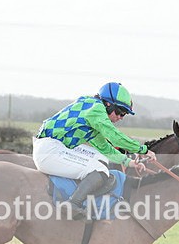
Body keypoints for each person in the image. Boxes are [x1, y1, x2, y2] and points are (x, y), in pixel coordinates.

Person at [33, 82, 156, 219]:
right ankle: (73, 203)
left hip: (54, 147)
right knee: (100, 170)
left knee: (100, 158)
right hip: (49, 150)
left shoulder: (91, 111)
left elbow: (105, 148)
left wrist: (129, 162)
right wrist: (143, 149)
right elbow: (114, 136)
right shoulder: (96, 109)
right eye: (120, 112)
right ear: (108, 104)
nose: (120, 117)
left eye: (124, 114)